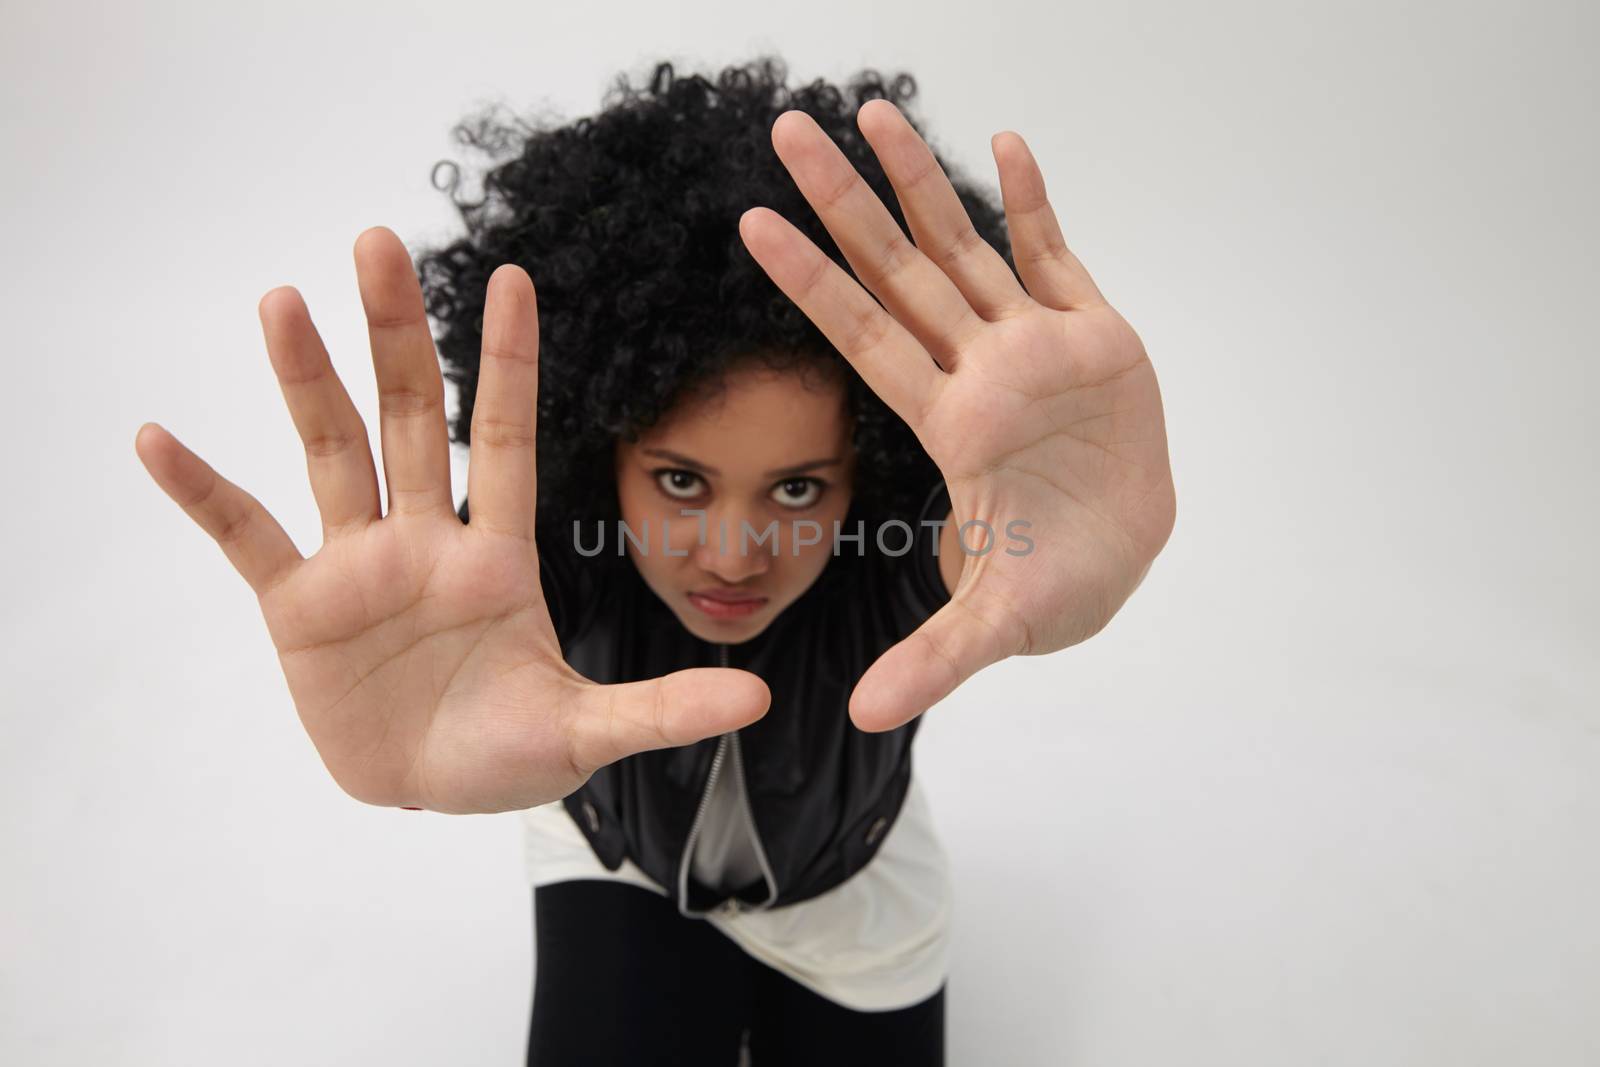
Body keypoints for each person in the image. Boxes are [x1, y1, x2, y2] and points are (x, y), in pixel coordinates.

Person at [133, 53, 1176, 1066]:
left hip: (854, 886)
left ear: (877, 478)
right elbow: (482, 588)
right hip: (612, 855)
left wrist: (1040, 522)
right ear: (597, 452)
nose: (733, 553)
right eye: (680, 480)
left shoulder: (887, 568)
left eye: (799, 487)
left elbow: (962, 556)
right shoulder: (543, 570)